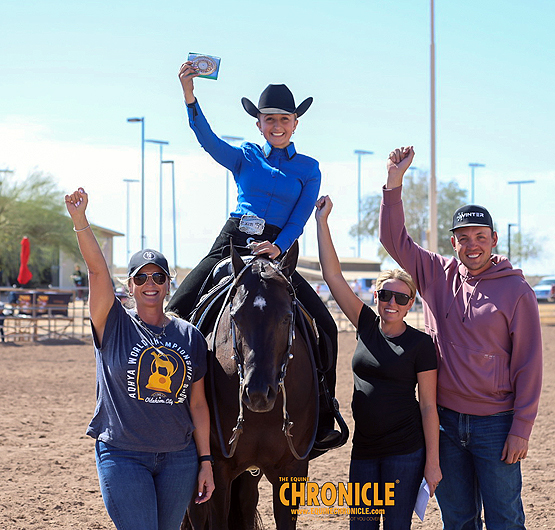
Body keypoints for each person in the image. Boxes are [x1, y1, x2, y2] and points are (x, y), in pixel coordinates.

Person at [166, 63, 341, 449]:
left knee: (326, 325)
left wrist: (279, 246)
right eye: (269, 119)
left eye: (284, 119)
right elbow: (208, 140)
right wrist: (190, 95)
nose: (277, 125)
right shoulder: (245, 155)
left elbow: (300, 217)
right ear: (258, 124)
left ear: (295, 124)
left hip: (278, 247)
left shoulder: (310, 169)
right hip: (234, 239)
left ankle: (325, 411)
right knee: (177, 309)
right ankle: (172, 404)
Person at [380, 146, 543, 529]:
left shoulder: (517, 292)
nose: (473, 245)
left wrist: (521, 429)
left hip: (496, 424)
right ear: (453, 243)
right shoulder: (435, 274)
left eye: (480, 237)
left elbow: (529, 364)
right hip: (445, 424)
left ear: (494, 239)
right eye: (464, 238)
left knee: (505, 519)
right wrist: (394, 182)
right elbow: (393, 239)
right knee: (457, 519)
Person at [64, 187, 214, 530]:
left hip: (179, 459)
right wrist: (80, 221)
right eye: (141, 277)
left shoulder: (189, 335)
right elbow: (97, 272)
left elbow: (197, 404)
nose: (150, 283)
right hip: (123, 454)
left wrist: (205, 460)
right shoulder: (112, 322)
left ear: (168, 284)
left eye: (158, 276)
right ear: (129, 285)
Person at [315, 195, 441, 529]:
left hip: (405, 452)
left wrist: (432, 463)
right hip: (364, 451)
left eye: (401, 297)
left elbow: (429, 406)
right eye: (385, 295)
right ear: (376, 296)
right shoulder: (366, 325)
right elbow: (333, 276)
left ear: (411, 303)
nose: (391, 302)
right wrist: (322, 222)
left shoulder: (421, 344)